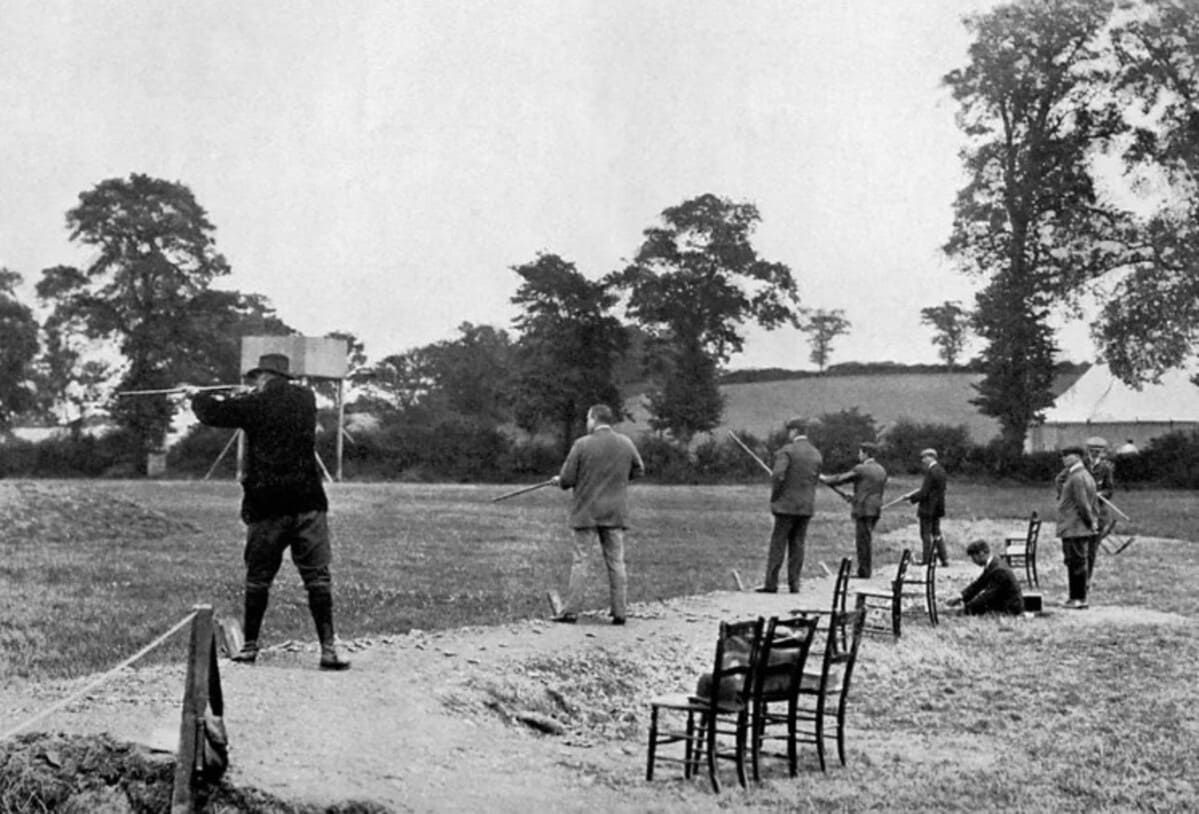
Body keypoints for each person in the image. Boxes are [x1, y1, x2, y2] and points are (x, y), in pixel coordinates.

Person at [188, 353, 350, 670]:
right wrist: (246, 395)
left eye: (256, 379)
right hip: (308, 502)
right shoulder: (305, 398)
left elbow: (213, 413)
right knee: (317, 578)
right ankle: (328, 649)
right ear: (285, 377)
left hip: (268, 505)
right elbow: (262, 403)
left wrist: (197, 395)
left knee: (258, 579)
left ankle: (250, 648)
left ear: (263, 377)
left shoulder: (254, 403)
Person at [549, 403, 645, 625]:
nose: (587, 423)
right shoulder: (626, 443)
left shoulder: (582, 444)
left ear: (594, 419)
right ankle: (620, 612)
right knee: (616, 562)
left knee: (581, 561)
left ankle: (571, 611)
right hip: (615, 513)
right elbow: (639, 469)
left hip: (586, 513)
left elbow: (567, 479)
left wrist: (559, 481)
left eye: (587, 419)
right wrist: (618, 479)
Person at [759, 416, 822, 593]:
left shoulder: (786, 451)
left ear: (794, 431)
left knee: (778, 544)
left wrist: (776, 497)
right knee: (798, 544)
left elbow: (778, 476)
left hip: (785, 506)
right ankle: (794, 584)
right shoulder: (816, 453)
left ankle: (771, 584)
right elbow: (815, 479)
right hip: (806, 506)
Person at [821, 441, 887, 578]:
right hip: (875, 509)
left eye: (860, 452)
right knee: (866, 540)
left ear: (865, 453)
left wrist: (824, 478)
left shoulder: (861, 469)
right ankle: (865, 570)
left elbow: (840, 479)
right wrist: (854, 497)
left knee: (863, 542)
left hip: (863, 509)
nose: (859, 455)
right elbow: (870, 489)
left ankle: (864, 572)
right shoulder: (881, 470)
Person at [1056, 446, 1099, 610]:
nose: (1064, 459)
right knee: (1075, 562)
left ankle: (1078, 598)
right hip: (1075, 527)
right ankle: (1076, 597)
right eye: (1063, 456)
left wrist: (1090, 522)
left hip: (1074, 527)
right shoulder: (1083, 475)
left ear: (1078, 457)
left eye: (1068, 456)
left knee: (1076, 563)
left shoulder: (1077, 477)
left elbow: (1083, 504)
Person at [946, 540, 1024, 616]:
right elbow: (978, 584)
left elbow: (987, 596)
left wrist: (966, 608)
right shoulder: (994, 564)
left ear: (981, 553)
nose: (973, 561)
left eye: (973, 557)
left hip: (1009, 609)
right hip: (1004, 603)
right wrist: (961, 596)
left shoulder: (999, 571)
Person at [1084, 435, 1116, 585]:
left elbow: (1110, 490)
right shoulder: (1080, 466)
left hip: (1098, 514)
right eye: (1092, 450)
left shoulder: (1106, 468)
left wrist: (1100, 494)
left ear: (1102, 452)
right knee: (1078, 549)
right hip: (1081, 513)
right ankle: (1078, 577)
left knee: (1091, 550)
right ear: (1088, 451)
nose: (1095, 453)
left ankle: (1087, 578)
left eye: (1098, 451)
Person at [909, 448, 948, 567]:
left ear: (931, 457)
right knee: (936, 533)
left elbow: (925, 492)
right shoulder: (941, 470)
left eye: (924, 457)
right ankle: (944, 559)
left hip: (928, 508)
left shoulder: (931, 472)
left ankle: (926, 560)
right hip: (938, 507)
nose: (923, 460)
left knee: (925, 534)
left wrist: (912, 498)